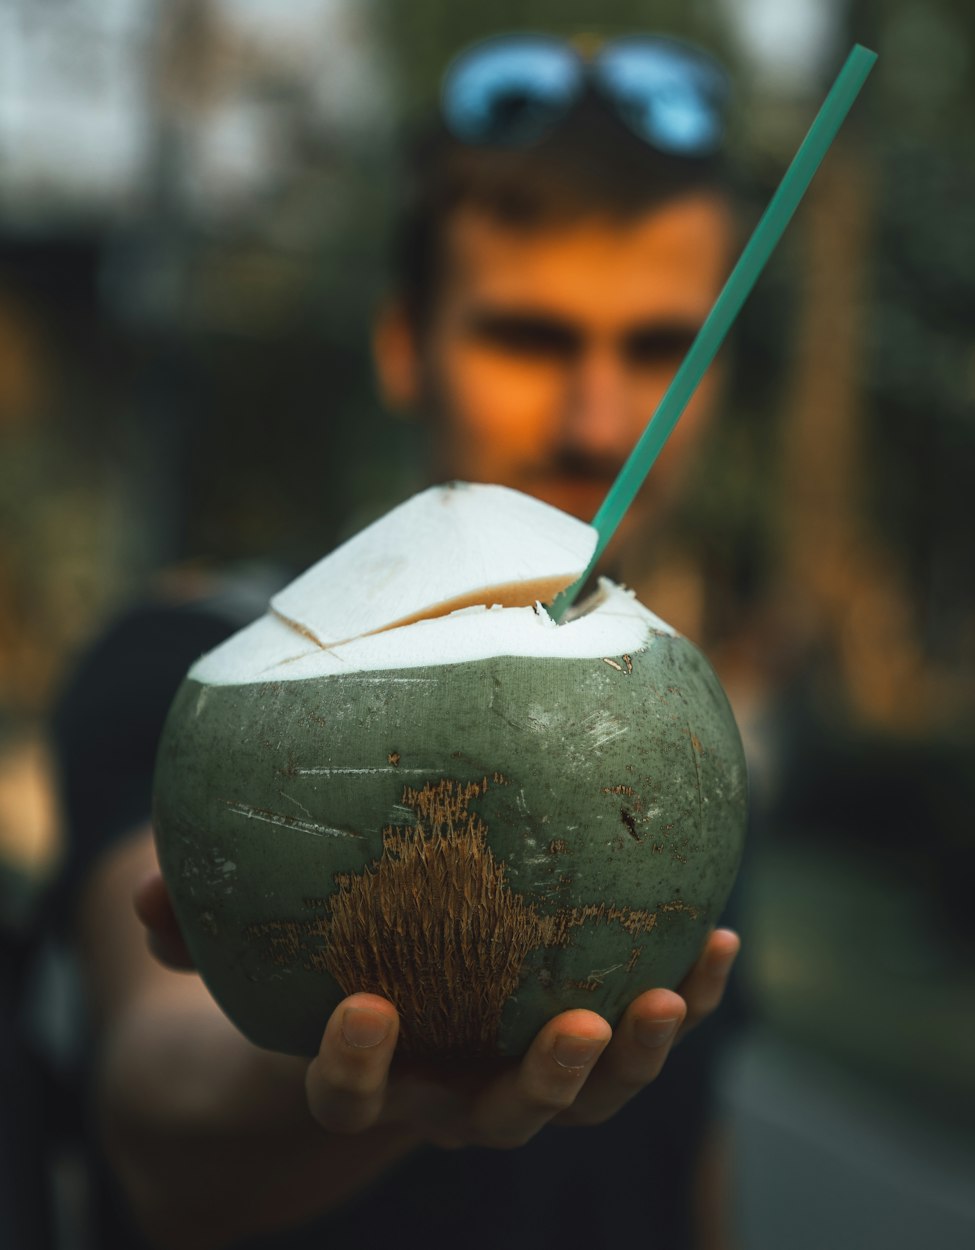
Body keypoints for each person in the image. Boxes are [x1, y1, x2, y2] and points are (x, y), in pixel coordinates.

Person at [47, 33, 746, 1250]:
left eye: (656, 348)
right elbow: (155, 1098)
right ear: (404, 343)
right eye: (528, 337)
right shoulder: (170, 661)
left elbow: (685, 1175)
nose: (596, 417)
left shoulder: (679, 734)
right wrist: (364, 1080)